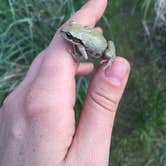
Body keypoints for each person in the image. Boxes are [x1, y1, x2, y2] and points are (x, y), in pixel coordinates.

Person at [0, 0, 130, 165]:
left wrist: (73, 52)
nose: (64, 35)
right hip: (88, 36)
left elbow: (83, 57)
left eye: (69, 36)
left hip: (101, 49)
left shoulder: (80, 45)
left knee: (109, 54)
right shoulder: (75, 36)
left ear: (74, 39)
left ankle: (108, 57)